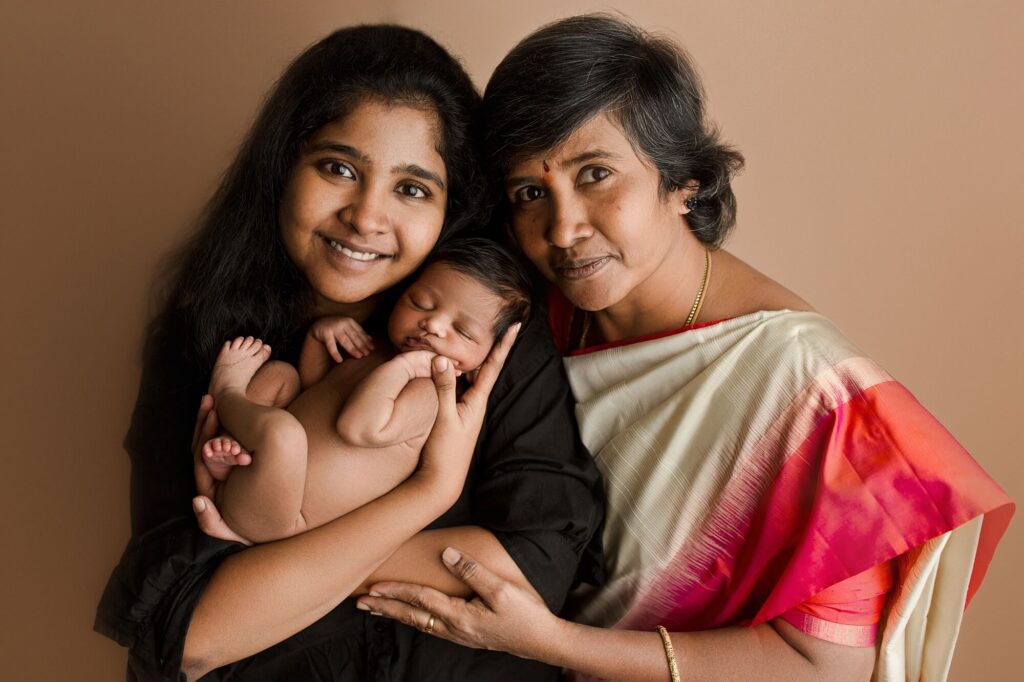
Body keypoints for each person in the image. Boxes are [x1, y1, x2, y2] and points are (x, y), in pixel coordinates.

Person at [355, 15, 1015, 682]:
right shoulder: (513, 310)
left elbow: (825, 668)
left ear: (682, 180)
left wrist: (553, 643)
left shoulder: (808, 390)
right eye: (531, 193)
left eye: (596, 175)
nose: (563, 227)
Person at [94, 24, 604, 681]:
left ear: (451, 208)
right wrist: (429, 495)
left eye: (412, 189)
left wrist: (272, 565)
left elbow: (533, 564)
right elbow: (193, 634)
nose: (367, 217)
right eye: (338, 169)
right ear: (284, 168)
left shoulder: (483, 329)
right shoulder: (214, 339)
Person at [201, 239, 532, 543]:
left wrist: (402, 369)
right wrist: (319, 337)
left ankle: (227, 391)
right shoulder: (377, 347)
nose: (432, 325)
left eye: (462, 331)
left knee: (282, 434)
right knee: (281, 376)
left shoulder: (430, 395)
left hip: (280, 515)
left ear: (481, 362)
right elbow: (315, 392)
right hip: (258, 471)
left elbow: (356, 427)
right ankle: (229, 456)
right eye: (421, 303)